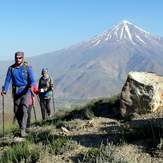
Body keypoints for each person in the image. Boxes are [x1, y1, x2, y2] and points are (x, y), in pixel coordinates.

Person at [1, 51, 35, 137]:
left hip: (26, 92)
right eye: (16, 58)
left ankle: (23, 130)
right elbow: (8, 79)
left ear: (23, 58)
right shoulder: (11, 68)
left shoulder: (27, 68)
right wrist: (5, 89)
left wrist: (31, 86)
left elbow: (32, 80)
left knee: (24, 109)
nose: (18, 59)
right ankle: (21, 126)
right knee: (16, 111)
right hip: (16, 92)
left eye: (20, 58)